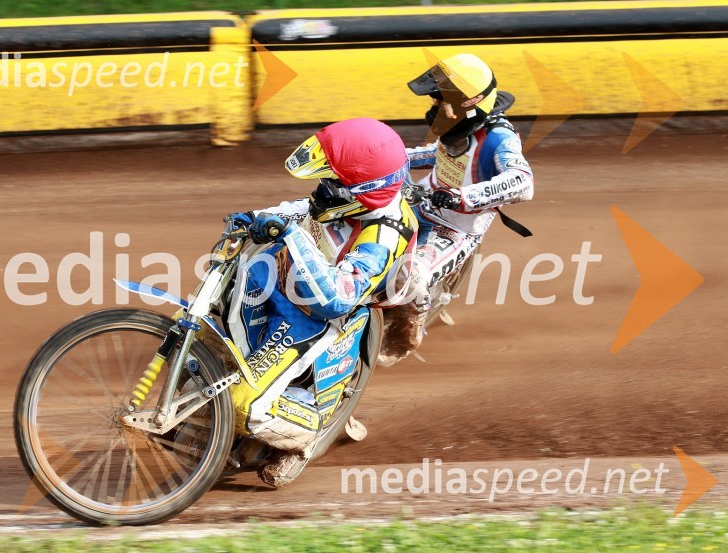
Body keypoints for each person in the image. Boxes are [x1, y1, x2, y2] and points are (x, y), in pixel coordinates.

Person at [225, 117, 418, 487]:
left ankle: (304, 437)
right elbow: (300, 210)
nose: (323, 190)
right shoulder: (351, 203)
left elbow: (336, 299)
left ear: (362, 191)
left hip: (325, 319)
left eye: (334, 184)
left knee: (243, 405)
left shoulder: (383, 236)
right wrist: (256, 217)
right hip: (291, 288)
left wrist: (293, 237)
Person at [378, 53, 535, 365]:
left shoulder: (499, 139)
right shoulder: (458, 125)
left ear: (467, 102)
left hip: (456, 227)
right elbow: (433, 156)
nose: (434, 105)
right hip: (420, 201)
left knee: (411, 275)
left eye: (439, 100)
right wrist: (378, 160)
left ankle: (409, 334)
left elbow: (523, 182)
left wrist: (461, 197)